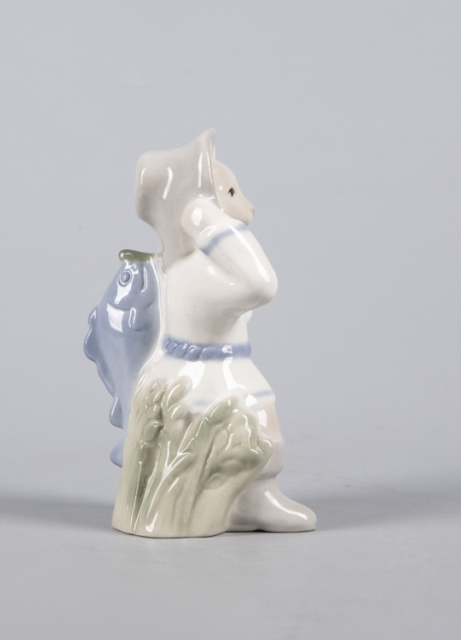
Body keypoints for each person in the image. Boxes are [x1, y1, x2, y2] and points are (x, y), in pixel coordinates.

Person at [132, 130, 316, 533]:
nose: (248, 204)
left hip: (204, 371)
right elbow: (262, 284)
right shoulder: (198, 271)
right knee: (256, 429)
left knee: (252, 430)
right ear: (194, 210)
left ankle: (242, 502)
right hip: (209, 379)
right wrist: (210, 223)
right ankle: (245, 501)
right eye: (231, 193)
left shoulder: (188, 268)